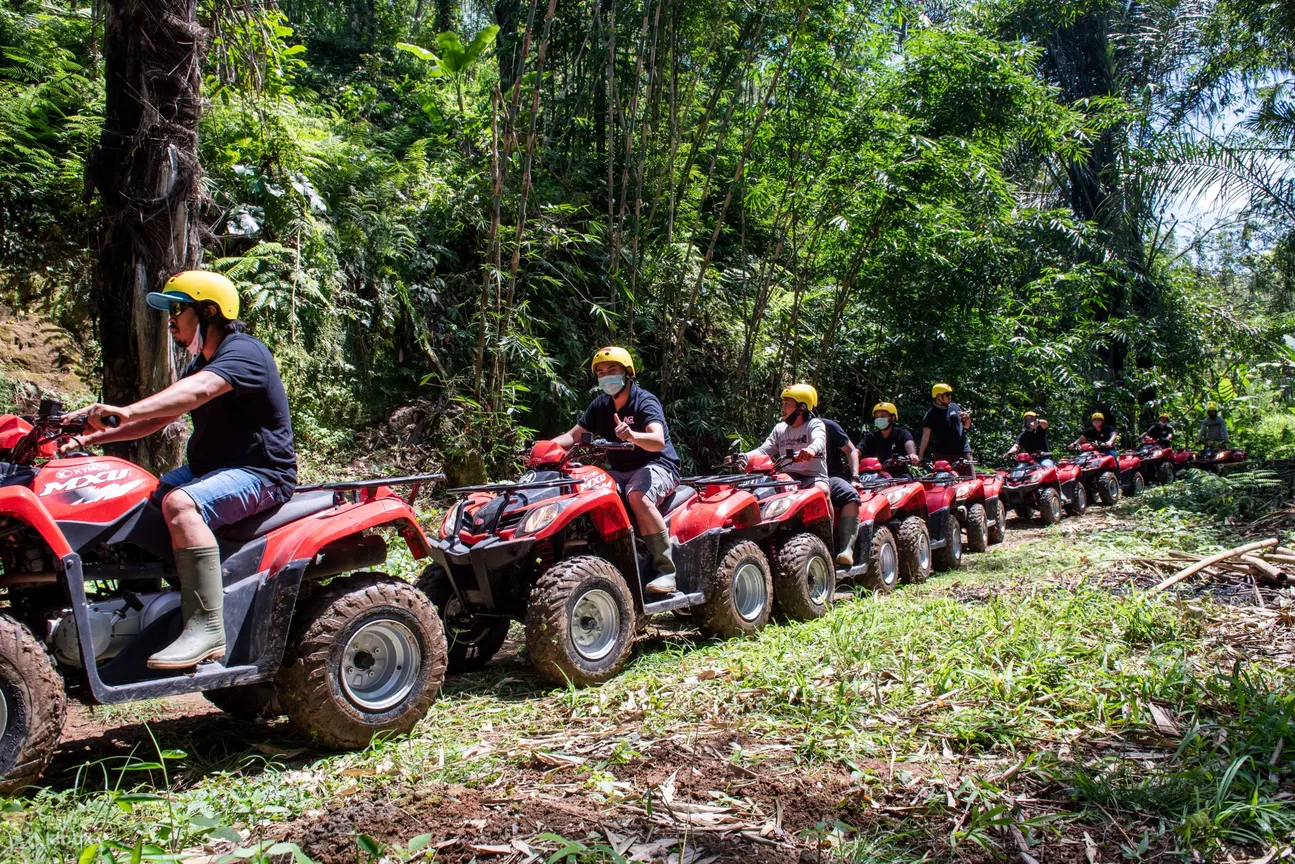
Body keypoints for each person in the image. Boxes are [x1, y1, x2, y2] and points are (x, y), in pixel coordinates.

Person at [62, 271, 297, 670]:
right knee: (136, 498)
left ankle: (207, 627)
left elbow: (200, 391)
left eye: (178, 309)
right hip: (212, 470)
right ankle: (139, 608)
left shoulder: (244, 352)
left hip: (261, 474)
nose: (170, 320)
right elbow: (161, 416)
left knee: (180, 505)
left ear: (209, 311)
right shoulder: (199, 365)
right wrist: (88, 438)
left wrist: (126, 410)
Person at [552, 347, 682, 594]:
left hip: (658, 465)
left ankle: (666, 571)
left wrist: (632, 435)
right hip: (620, 471)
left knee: (637, 496)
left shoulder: (644, 401)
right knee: (584, 492)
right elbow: (572, 436)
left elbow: (657, 440)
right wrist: (545, 447)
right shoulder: (600, 405)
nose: (606, 376)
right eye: (601, 372)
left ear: (627, 373)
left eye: (612, 370)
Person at [740, 384, 861, 567]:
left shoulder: (815, 424)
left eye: (788, 404)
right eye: (783, 403)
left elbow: (819, 441)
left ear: (802, 408)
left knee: (821, 491)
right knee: (756, 491)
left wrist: (810, 450)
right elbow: (764, 450)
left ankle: (830, 544)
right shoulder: (780, 429)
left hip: (813, 478)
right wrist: (743, 457)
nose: (782, 408)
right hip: (787, 478)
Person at [918, 383, 973, 474]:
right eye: (947, 395)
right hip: (942, 454)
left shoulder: (955, 406)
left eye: (950, 394)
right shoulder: (931, 415)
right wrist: (920, 456)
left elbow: (966, 426)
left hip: (962, 452)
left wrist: (967, 418)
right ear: (938, 396)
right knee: (943, 484)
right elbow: (925, 437)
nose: (950, 397)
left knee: (970, 482)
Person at [860, 402, 918, 478]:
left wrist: (912, 456)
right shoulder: (871, 437)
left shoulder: (902, 434)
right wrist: (852, 456)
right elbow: (856, 452)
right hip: (876, 477)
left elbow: (910, 446)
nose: (879, 419)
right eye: (877, 417)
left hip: (900, 476)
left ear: (892, 418)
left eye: (882, 416)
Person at [819, 414, 860, 481]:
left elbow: (851, 451)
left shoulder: (828, 425)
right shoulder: (795, 429)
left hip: (832, 477)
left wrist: (855, 478)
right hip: (800, 480)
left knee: (849, 491)